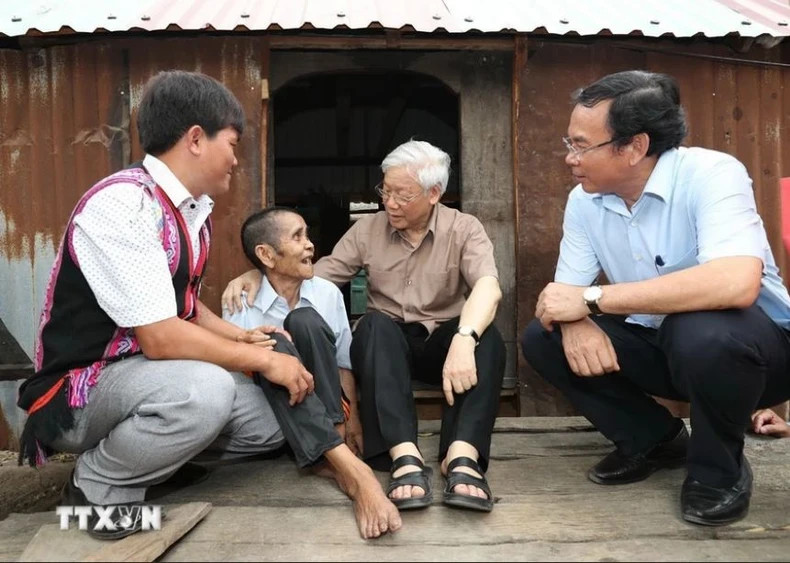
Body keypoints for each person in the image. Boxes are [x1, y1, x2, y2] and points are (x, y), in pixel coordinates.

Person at [16, 71, 322, 541]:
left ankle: (155, 463)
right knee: (205, 393)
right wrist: (261, 359)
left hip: (145, 379)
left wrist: (244, 336)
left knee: (271, 421)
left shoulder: (192, 210)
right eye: (232, 144)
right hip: (81, 389)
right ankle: (95, 487)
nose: (235, 159)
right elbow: (161, 338)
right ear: (196, 139)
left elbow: (186, 307)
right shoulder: (125, 204)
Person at [521, 70, 790, 527]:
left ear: (634, 147)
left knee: (699, 327)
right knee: (543, 338)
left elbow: (736, 283)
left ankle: (718, 472)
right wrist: (575, 320)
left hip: (758, 360)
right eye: (569, 144)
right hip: (668, 353)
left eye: (581, 146)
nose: (570, 158)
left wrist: (591, 300)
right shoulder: (585, 202)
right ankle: (654, 440)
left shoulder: (711, 174)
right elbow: (565, 297)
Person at [223, 140, 505, 512]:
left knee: (488, 338)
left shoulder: (463, 228)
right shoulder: (368, 230)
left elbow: (488, 286)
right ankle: (404, 457)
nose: (390, 203)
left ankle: (462, 457)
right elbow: (313, 275)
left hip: (444, 346)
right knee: (373, 326)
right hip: (387, 353)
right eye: (385, 191)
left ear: (434, 193)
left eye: (402, 195)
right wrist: (261, 272)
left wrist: (465, 339)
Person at [223, 206, 400, 537]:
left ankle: (331, 449)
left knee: (304, 320)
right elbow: (238, 371)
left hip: (330, 411)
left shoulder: (327, 293)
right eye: (297, 237)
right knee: (274, 342)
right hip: (274, 413)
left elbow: (343, 364)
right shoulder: (240, 300)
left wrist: (352, 421)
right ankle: (348, 469)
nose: (309, 244)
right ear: (266, 255)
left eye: (307, 234)